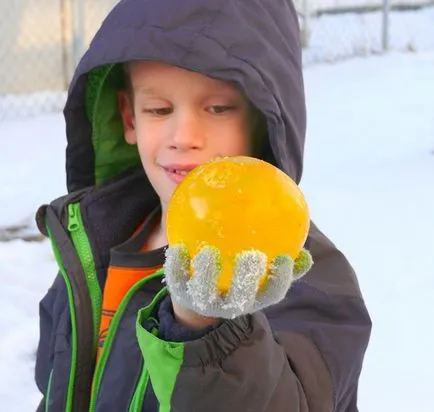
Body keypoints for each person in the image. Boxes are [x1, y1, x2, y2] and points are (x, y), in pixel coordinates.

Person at [34, 0, 372, 411]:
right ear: (129, 119)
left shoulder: (299, 276)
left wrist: (208, 332)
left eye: (217, 108)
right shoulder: (92, 249)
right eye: (159, 109)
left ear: (263, 121)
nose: (184, 135)